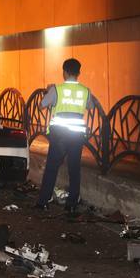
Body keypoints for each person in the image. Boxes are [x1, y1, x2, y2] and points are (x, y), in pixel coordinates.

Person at [34, 58, 93, 215]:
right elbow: (90, 106)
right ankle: (71, 205)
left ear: (64, 72)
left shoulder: (57, 89)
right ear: (79, 73)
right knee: (74, 169)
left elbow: (41, 105)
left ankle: (43, 202)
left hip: (60, 135)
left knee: (52, 168)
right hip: (76, 135)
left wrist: (48, 91)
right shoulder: (85, 91)